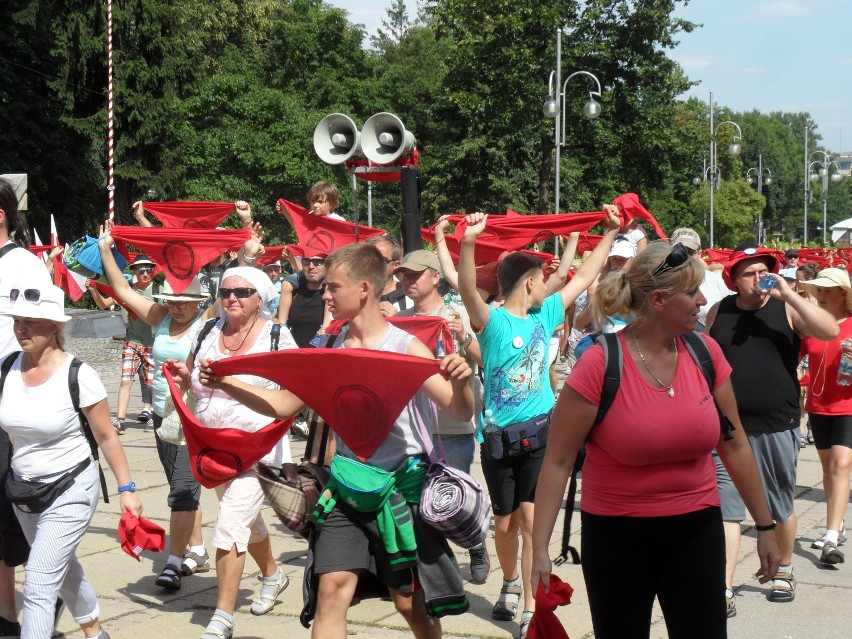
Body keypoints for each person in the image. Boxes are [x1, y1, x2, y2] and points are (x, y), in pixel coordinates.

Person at [191, 242, 474, 639]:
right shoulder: (328, 347)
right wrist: (228, 382)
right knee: (330, 592)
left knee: (410, 604)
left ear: (363, 289)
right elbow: (284, 406)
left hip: (399, 494)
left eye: (333, 287)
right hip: (345, 493)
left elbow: (461, 411)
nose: (324, 294)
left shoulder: (405, 347)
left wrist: (461, 383)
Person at [531, 241, 781, 639]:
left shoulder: (706, 352)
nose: (703, 300)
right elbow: (558, 461)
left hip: (696, 531)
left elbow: (734, 444)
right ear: (660, 299)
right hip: (616, 537)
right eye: (693, 292)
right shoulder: (600, 362)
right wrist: (539, 549)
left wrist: (766, 528)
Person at [456, 207, 620, 639]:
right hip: (497, 441)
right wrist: (468, 241)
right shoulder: (492, 322)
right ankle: (509, 579)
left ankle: (530, 605)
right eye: (542, 280)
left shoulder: (545, 315)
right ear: (529, 283)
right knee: (505, 525)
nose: (549, 286)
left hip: (540, 433)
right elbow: (468, 288)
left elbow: (583, 277)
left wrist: (610, 233)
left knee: (531, 523)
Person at [0, 280, 143, 639]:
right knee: (61, 569)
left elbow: (107, 436)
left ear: (54, 325)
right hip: (24, 490)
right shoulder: (7, 370)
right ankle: (95, 631)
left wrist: (127, 489)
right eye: (18, 321)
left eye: (30, 321)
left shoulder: (79, 375)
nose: (21, 328)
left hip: (71, 487)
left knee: (37, 583)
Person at [166, 267, 296, 639]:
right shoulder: (207, 330)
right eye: (225, 292)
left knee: (229, 525)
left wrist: (228, 381)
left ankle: (221, 617)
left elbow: (289, 398)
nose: (232, 298)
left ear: (261, 298)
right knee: (246, 523)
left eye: (242, 292)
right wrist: (181, 376)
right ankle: (273, 574)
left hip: (258, 447)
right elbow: (194, 376)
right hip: (215, 447)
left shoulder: (277, 337)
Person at [706, 245, 838, 606]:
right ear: (733, 279)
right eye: (748, 273)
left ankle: (784, 569)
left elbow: (828, 329)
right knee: (727, 509)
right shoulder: (719, 311)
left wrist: (790, 295)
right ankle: (724, 586)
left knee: (779, 502)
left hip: (776, 424)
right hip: (728, 428)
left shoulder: (787, 309)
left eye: (762, 270)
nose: (757, 278)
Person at [98, 227, 217, 590]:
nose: (177, 305)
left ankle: (173, 562)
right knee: (179, 488)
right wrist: (106, 249)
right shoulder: (160, 317)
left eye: (184, 300)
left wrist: (245, 256)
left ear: (199, 301)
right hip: (163, 417)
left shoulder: (207, 321)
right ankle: (196, 548)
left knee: (182, 488)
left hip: (192, 418)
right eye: (172, 299)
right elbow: (122, 290)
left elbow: (234, 285)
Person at [394, 249, 490, 583]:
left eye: (415, 274)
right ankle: (431, 565)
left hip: (452, 422)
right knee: (419, 502)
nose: (408, 281)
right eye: (404, 275)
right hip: (412, 424)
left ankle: (476, 542)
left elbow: (486, 358)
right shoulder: (397, 316)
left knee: (454, 493)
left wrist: (462, 336)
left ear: (435, 277)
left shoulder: (457, 313)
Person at [0, 177, 53, 638]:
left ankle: (46, 597)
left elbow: (47, 332)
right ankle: (6, 614)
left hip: (12, 403)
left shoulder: (23, 265)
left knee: (23, 518)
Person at [798, 268, 852, 563]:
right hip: (818, 406)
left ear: (843, 294)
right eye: (818, 290)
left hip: (849, 407)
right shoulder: (810, 326)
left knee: (841, 466)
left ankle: (831, 536)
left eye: (827, 290)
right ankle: (838, 520)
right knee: (829, 469)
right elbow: (798, 361)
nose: (820, 295)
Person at [110, 253, 157, 433]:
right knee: (125, 381)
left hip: (152, 344)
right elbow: (104, 302)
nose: (146, 274)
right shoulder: (127, 289)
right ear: (135, 271)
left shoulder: (158, 290)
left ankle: (152, 415)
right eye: (141, 270)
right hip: (132, 342)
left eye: (149, 269)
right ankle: (120, 419)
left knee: (152, 383)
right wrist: (93, 291)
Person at [668, 227, 733, 333]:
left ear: (699, 253)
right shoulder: (660, 283)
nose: (685, 256)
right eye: (679, 251)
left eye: (690, 251)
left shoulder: (718, 282)